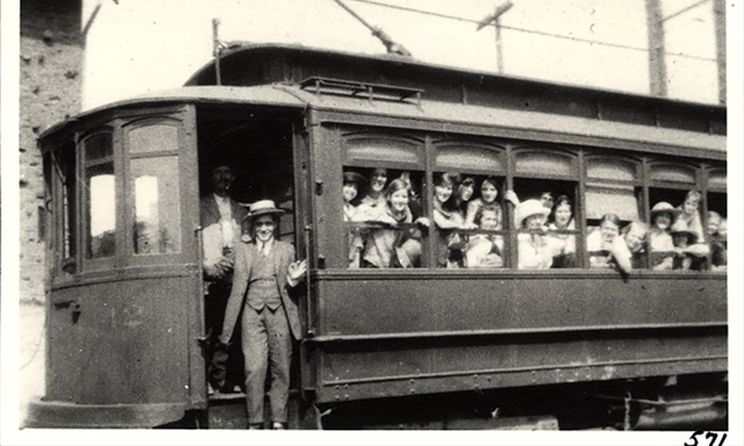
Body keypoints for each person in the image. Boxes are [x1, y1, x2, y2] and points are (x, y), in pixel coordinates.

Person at [218, 200, 307, 430]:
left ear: (275, 225)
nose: (264, 229)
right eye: (259, 224)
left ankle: (279, 420)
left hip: (280, 313)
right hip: (251, 313)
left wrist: (293, 280)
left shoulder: (286, 249)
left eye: (268, 224)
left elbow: (292, 283)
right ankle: (255, 422)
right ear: (252, 226)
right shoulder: (241, 250)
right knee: (254, 367)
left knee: (281, 367)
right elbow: (220, 269)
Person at [200, 163, 248, 392]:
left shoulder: (239, 210)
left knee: (229, 330)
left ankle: (223, 380)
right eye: (218, 172)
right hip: (208, 278)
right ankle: (206, 381)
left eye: (227, 173)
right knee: (208, 331)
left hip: (232, 277)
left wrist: (230, 263)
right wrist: (205, 266)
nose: (223, 177)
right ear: (211, 177)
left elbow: (245, 241)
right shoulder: (200, 206)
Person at [356, 178, 429, 268]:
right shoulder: (380, 210)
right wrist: (380, 220)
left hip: (391, 263)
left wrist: (417, 225)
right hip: (374, 263)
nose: (400, 200)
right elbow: (357, 216)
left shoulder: (407, 215)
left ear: (408, 199)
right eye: (396, 196)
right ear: (389, 197)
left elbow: (406, 238)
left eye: (404, 197)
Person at [432, 173, 465, 267]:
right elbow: (442, 223)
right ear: (434, 187)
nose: (445, 192)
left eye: (449, 188)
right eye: (442, 187)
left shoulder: (446, 209)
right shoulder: (429, 203)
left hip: (442, 256)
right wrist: (459, 225)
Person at [515, 199, 553, 270]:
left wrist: (543, 242)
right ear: (525, 220)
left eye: (540, 217)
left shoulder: (544, 238)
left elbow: (548, 263)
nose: (538, 221)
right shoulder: (520, 238)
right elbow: (527, 264)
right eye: (534, 218)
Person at [343, 171, 367, 267]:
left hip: (354, 253)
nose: (351, 190)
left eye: (355, 188)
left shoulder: (355, 210)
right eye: (349, 186)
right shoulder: (335, 207)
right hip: (340, 250)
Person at [648, 202, 680, 271]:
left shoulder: (668, 238)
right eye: (661, 215)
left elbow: (669, 262)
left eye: (667, 217)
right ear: (655, 218)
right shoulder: (647, 234)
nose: (664, 219)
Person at [546, 195, 576, 268]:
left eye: (566, 211)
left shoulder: (574, 231)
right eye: (559, 212)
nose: (563, 215)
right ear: (553, 213)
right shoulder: (547, 230)